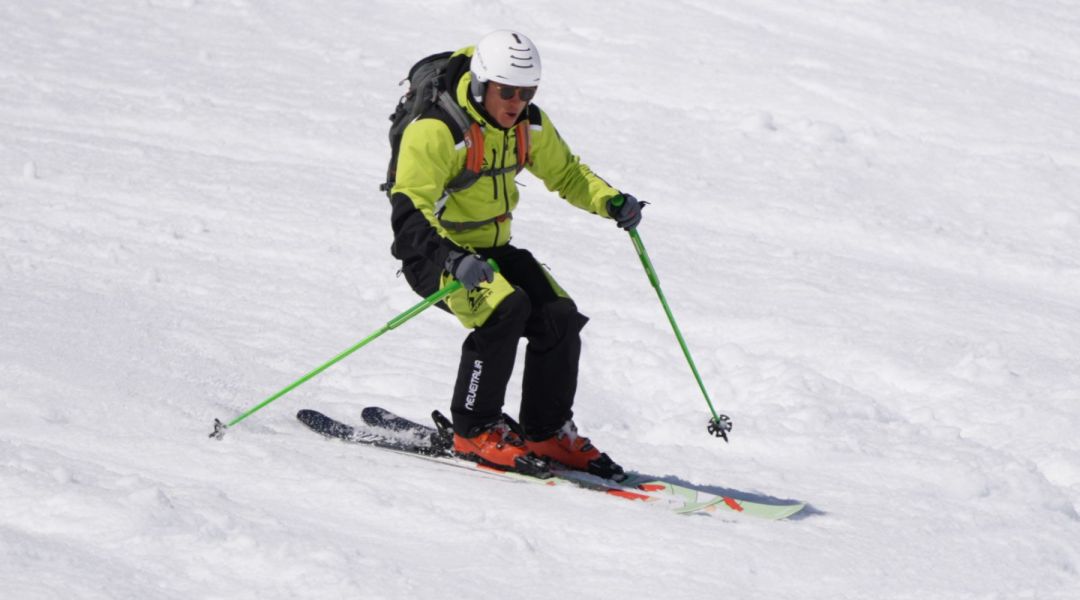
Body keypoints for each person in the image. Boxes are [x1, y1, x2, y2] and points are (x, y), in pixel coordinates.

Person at [387, 30, 642, 479]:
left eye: (527, 92)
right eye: (507, 91)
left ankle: (545, 431)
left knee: (558, 315)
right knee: (505, 309)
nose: (516, 102)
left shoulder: (529, 124)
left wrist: (611, 201)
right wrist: (449, 259)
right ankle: (475, 428)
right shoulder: (437, 130)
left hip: (492, 247)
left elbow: (567, 173)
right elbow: (409, 210)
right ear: (484, 85)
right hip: (434, 253)